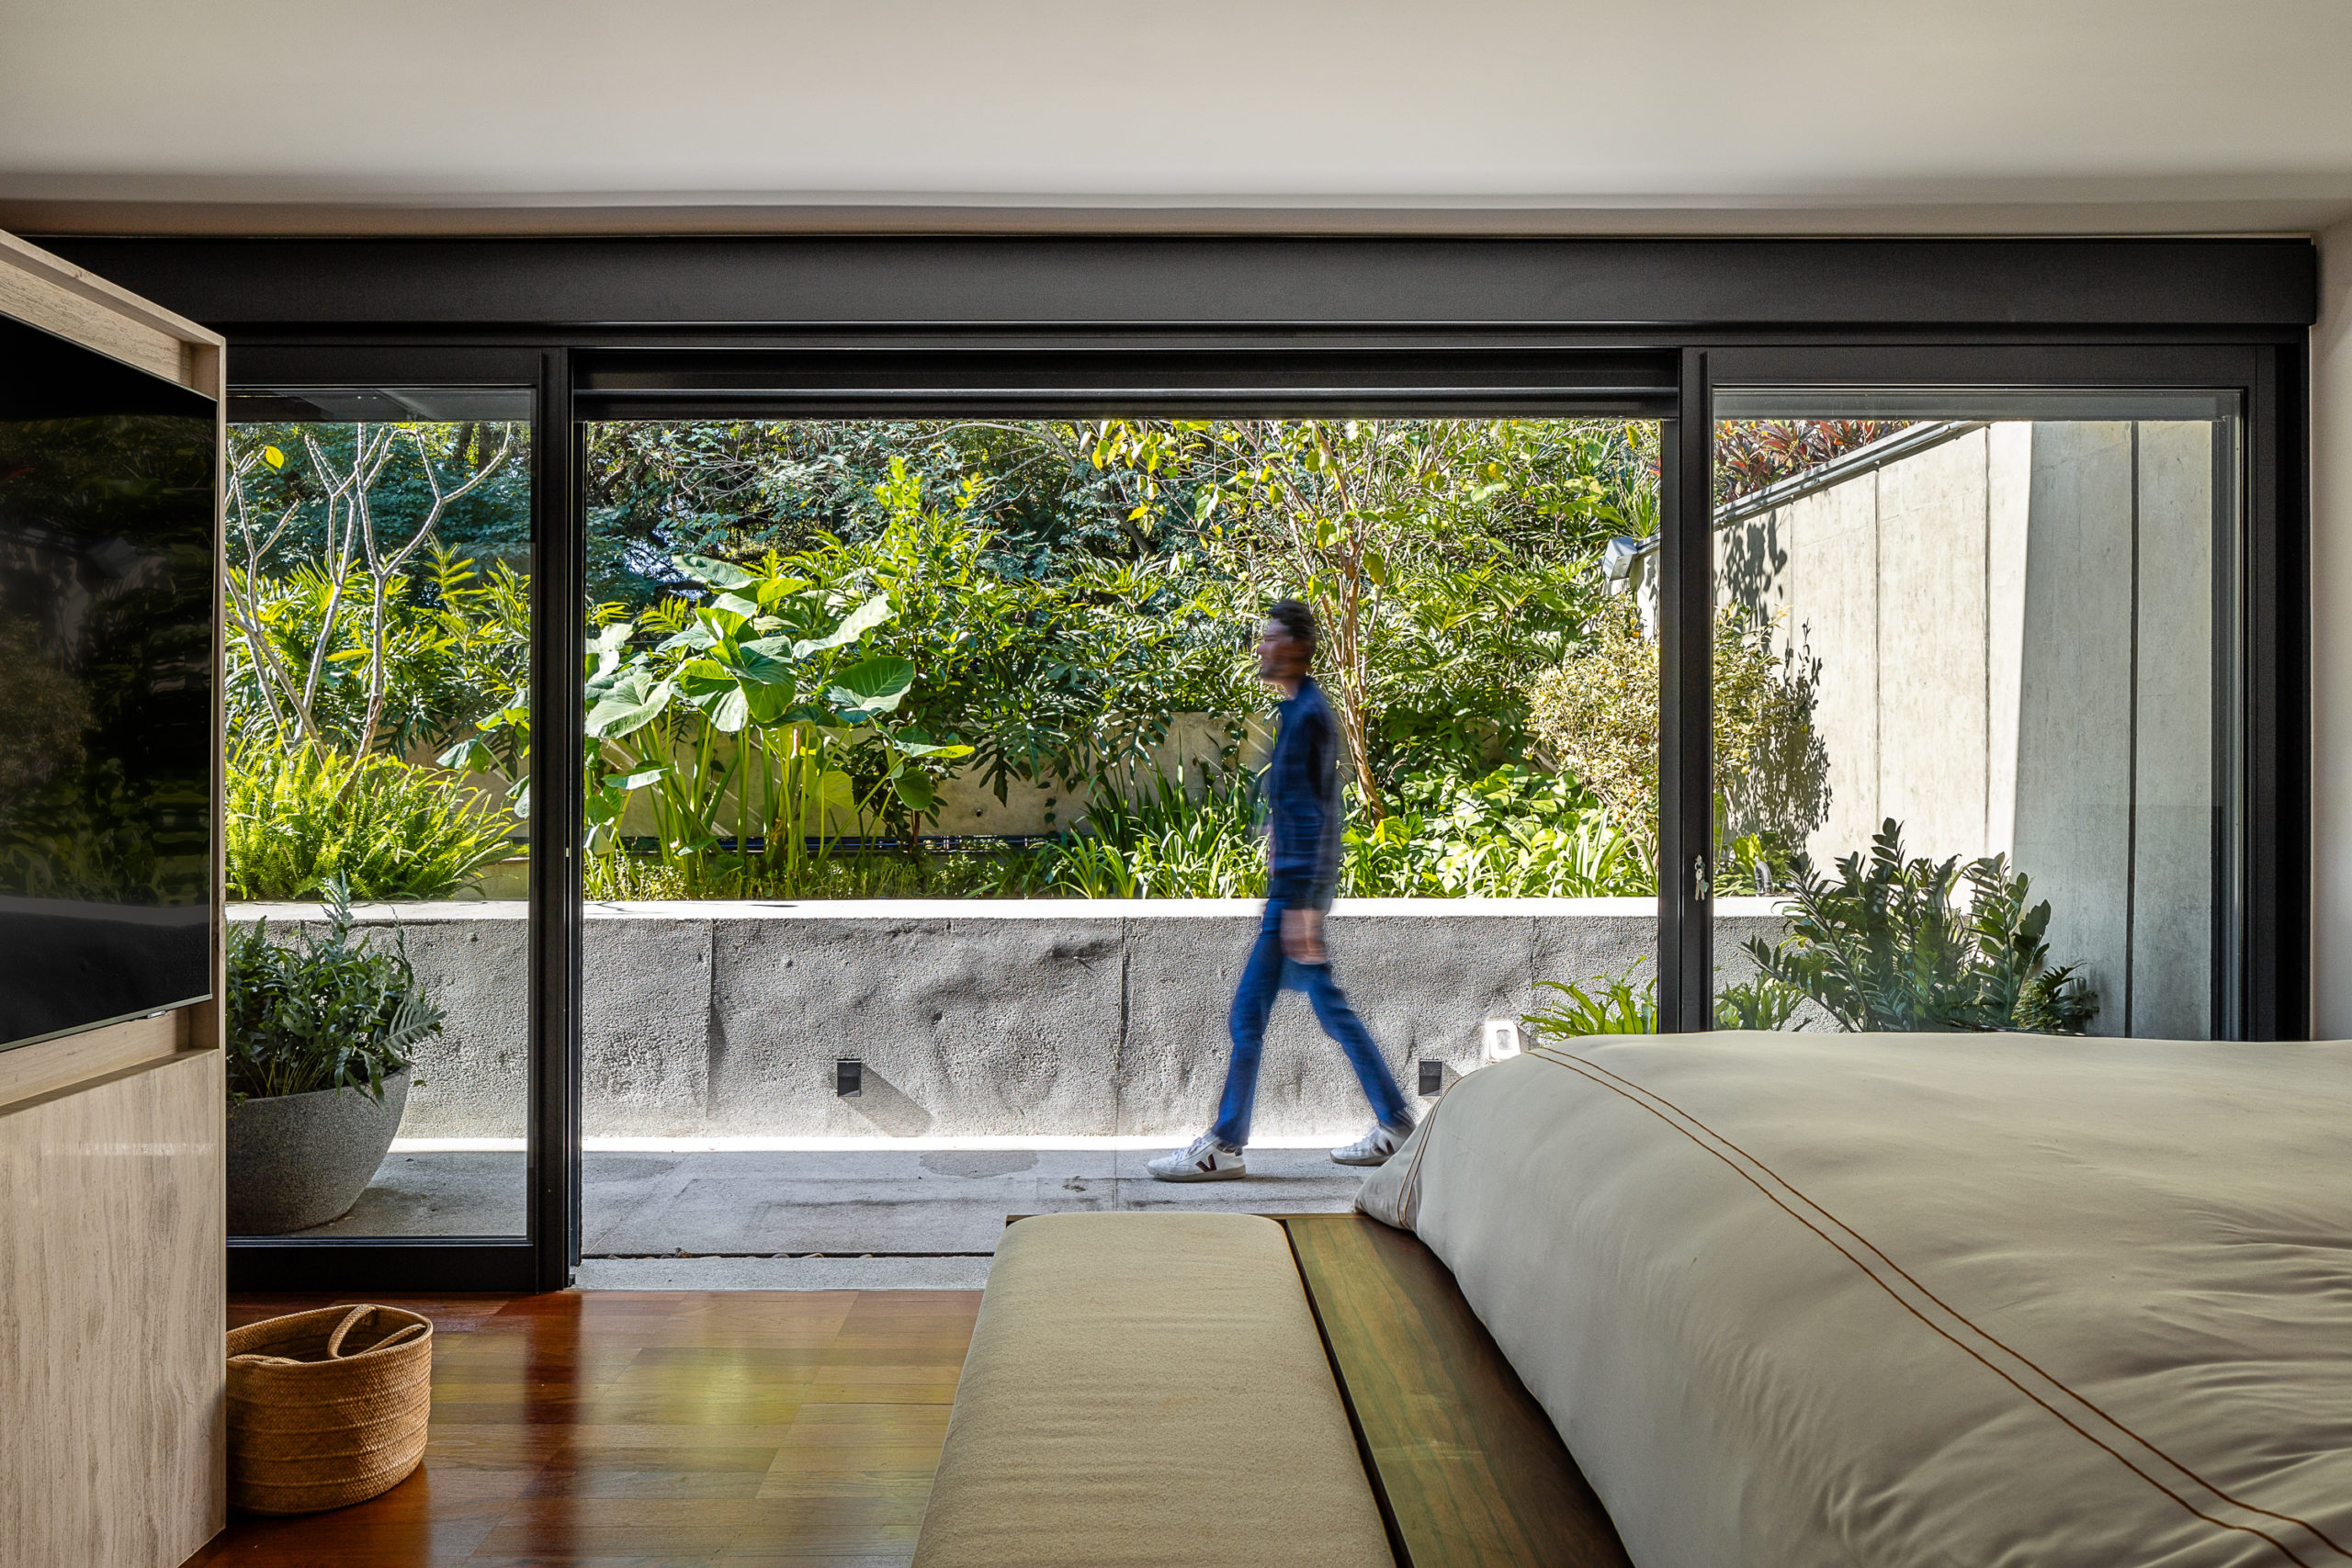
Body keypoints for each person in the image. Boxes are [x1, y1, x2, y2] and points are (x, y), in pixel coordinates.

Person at [1148, 600, 1416, 1182]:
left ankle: (1225, 1144)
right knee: (1303, 1011)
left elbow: (1321, 813)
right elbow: (1300, 806)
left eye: (1270, 638)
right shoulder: (1297, 710)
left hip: (1294, 898)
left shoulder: (1310, 714)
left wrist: (1304, 906)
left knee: (1260, 1014)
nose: (1261, 647)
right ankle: (1393, 1124)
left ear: (1296, 647)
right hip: (1292, 892)